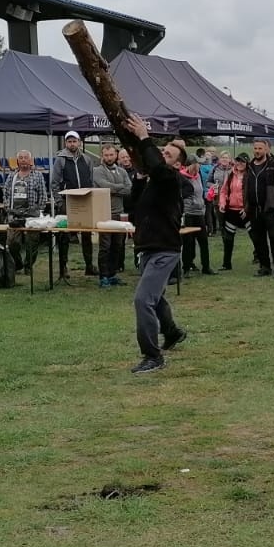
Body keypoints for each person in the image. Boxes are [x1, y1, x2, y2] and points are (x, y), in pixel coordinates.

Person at [110, 115, 188, 375]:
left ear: (177, 164)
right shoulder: (154, 181)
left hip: (165, 250)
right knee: (156, 297)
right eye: (162, 151)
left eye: (167, 153)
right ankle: (173, 332)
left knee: (143, 300)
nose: (162, 155)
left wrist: (144, 137)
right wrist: (140, 178)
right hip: (147, 248)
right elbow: (133, 207)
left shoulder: (171, 180)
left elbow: (158, 166)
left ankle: (153, 356)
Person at [49, 130, 96, 279]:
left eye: (74, 141)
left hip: (85, 201)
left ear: (79, 142)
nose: (72, 144)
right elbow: (54, 183)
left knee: (87, 234)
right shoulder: (60, 160)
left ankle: (89, 265)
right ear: (65, 143)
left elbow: (91, 179)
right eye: (69, 141)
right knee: (64, 235)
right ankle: (63, 268)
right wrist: (59, 201)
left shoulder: (87, 160)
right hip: (66, 202)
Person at [244, 138, 274, 277]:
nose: (257, 151)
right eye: (255, 148)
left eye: (260, 148)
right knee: (259, 239)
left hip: (270, 209)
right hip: (254, 209)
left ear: (266, 149)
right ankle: (264, 267)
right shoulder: (250, 166)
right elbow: (246, 186)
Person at [92, 143, 133, 287]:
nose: (109, 157)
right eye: (106, 155)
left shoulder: (122, 171)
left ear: (116, 155)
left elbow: (129, 189)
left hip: (119, 213)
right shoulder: (97, 170)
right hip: (104, 214)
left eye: (111, 155)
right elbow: (104, 185)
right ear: (102, 156)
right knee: (105, 246)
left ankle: (112, 274)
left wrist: (114, 189)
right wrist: (118, 188)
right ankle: (103, 276)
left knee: (118, 245)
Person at [1, 150, 49, 272]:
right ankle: (18, 264)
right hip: (15, 215)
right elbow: (5, 193)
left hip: (32, 215)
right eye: (21, 158)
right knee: (11, 243)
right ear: (17, 161)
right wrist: (7, 207)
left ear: (30, 160)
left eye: (26, 157)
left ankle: (28, 266)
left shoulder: (38, 176)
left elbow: (43, 196)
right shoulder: (12, 176)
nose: (23, 160)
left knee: (32, 242)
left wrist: (38, 210)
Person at [179, 155, 214, 277]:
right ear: (192, 164)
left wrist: (207, 196)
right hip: (188, 213)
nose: (200, 165)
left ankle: (206, 266)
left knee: (203, 241)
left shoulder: (198, 176)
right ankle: (187, 267)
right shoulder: (182, 177)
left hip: (200, 213)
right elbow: (182, 195)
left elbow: (200, 192)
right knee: (188, 242)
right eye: (198, 164)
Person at [216, 153, 247, 271]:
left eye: (242, 161)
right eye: (238, 161)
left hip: (245, 212)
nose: (239, 164)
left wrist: (247, 207)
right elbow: (223, 191)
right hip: (231, 211)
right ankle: (226, 264)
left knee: (255, 237)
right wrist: (222, 203)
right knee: (228, 239)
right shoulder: (230, 175)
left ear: (247, 163)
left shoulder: (249, 175)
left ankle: (262, 262)